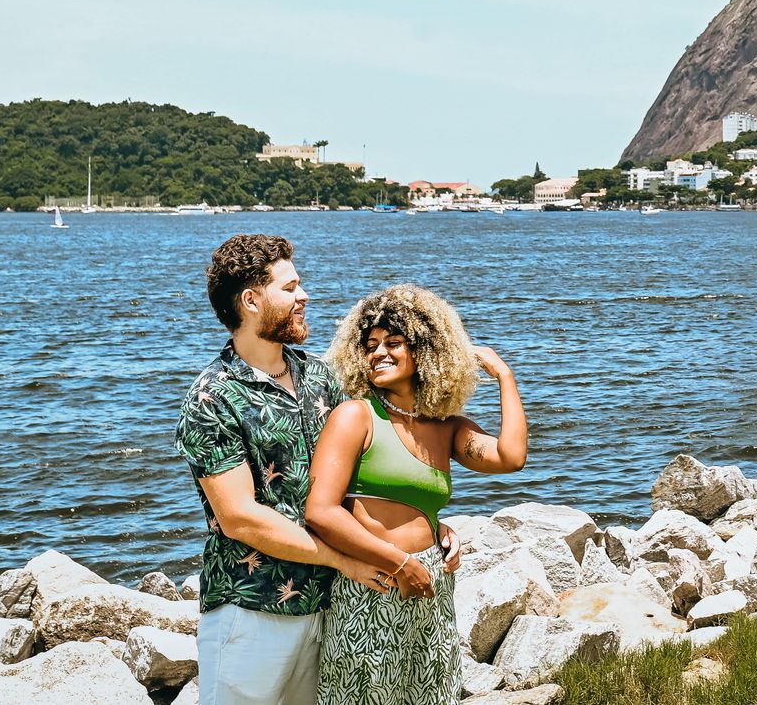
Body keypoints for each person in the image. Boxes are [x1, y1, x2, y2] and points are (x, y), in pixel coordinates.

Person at [175, 236, 457, 705]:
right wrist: (340, 559)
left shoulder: (320, 377)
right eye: (290, 288)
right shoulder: (212, 398)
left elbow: (357, 479)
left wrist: (422, 524)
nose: (304, 297)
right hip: (255, 608)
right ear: (251, 300)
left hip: (333, 606)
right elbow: (239, 517)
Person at [306, 285, 528, 705]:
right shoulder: (356, 415)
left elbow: (509, 457)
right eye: (370, 345)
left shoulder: (446, 426)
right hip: (374, 583)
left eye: (394, 343)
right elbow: (320, 512)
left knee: (430, 692)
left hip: (431, 581)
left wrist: (504, 376)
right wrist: (399, 562)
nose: (378, 353)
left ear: (424, 351)